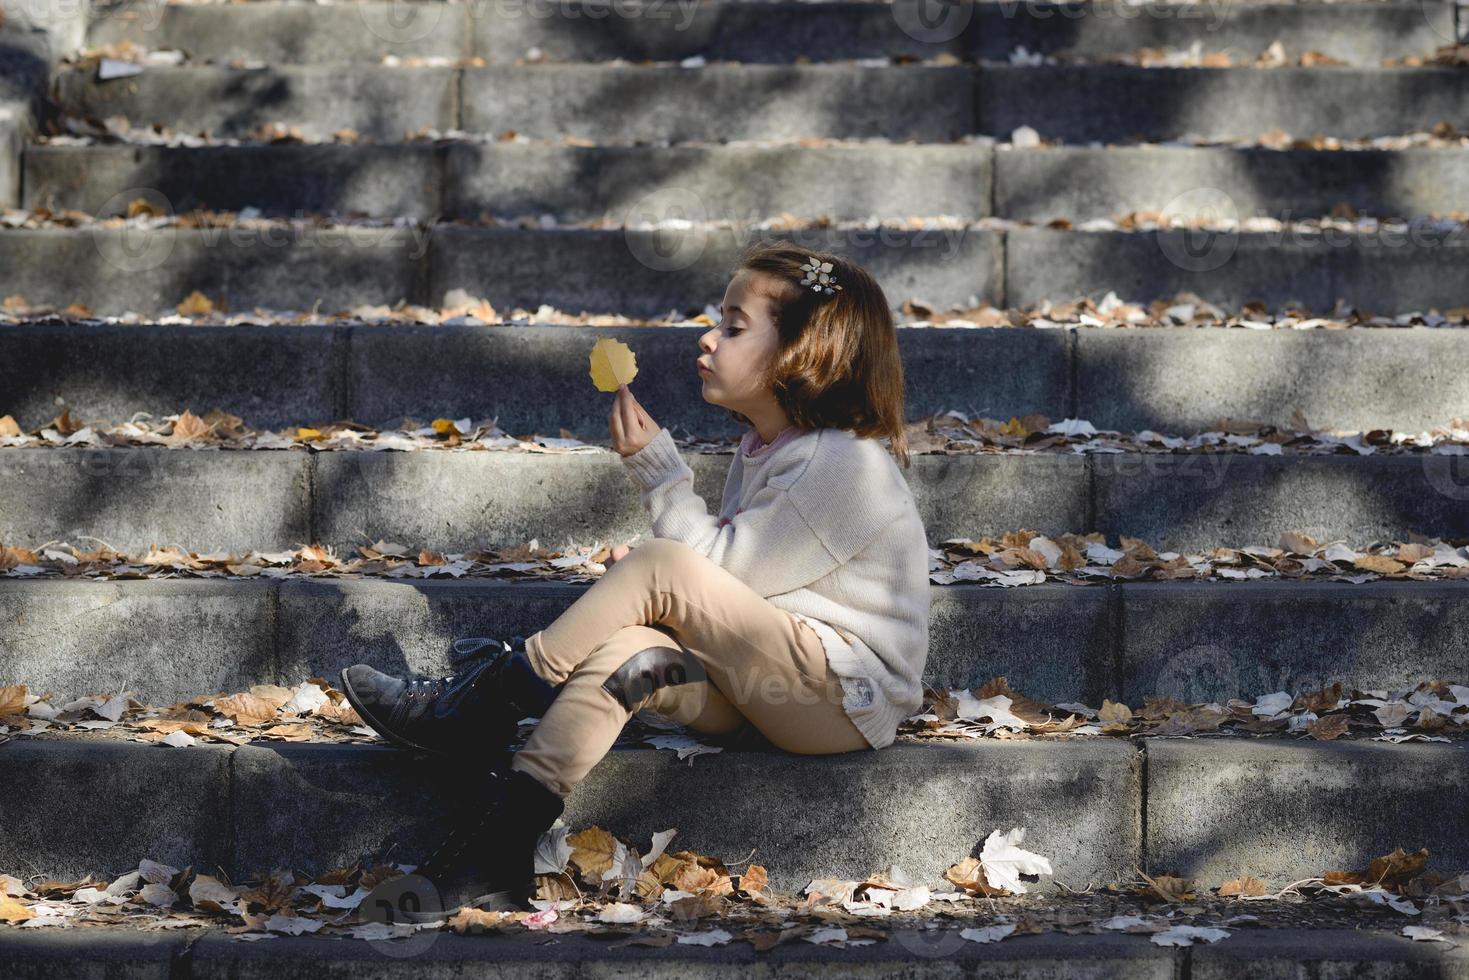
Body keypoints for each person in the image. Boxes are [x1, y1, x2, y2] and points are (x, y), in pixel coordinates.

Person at [339, 240, 931, 919]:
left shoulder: (841, 461)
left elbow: (713, 569)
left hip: (837, 696)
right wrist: (664, 589)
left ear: (807, 351)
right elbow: (734, 583)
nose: (708, 339)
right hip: (765, 690)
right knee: (634, 657)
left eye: (735, 326)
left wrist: (660, 475)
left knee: (661, 565)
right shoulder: (771, 449)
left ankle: (489, 701)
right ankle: (494, 851)